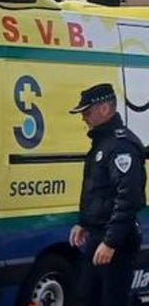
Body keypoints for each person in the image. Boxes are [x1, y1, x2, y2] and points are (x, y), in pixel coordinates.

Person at [68, 83, 146, 306]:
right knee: (85, 296)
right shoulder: (103, 143)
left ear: (104, 109)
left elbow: (128, 198)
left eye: (87, 112)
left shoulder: (120, 146)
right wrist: (84, 222)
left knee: (111, 299)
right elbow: (98, 191)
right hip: (98, 235)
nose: (83, 118)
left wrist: (110, 242)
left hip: (116, 240)